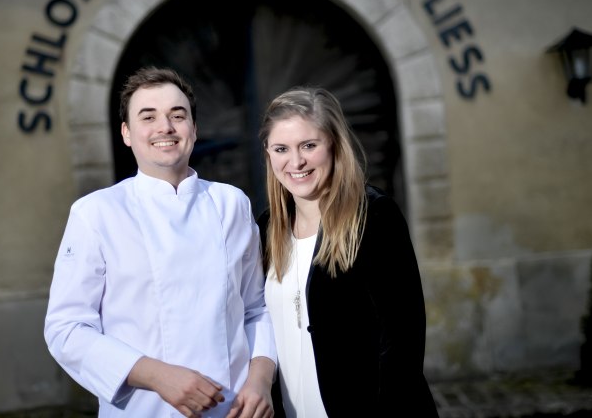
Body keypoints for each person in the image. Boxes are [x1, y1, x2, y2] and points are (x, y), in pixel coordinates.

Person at [44, 66, 277, 418]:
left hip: (233, 409)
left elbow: (255, 309)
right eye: (148, 116)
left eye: (177, 116)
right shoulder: (96, 213)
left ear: (194, 130)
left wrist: (260, 382)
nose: (165, 127)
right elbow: (66, 330)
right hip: (145, 409)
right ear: (126, 133)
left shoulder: (232, 204)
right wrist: (158, 376)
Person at [257, 87, 439, 417]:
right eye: (281, 148)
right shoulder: (266, 228)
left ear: (334, 145)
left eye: (309, 146)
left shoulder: (374, 216)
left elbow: (402, 345)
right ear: (268, 153)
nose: (295, 161)